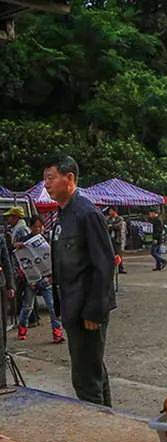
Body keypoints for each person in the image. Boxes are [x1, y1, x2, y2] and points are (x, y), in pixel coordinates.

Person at [43, 155, 116, 405]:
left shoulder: (87, 213)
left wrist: (95, 310)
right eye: (44, 180)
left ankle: (97, 428)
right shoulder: (63, 216)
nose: (46, 185)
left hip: (87, 309)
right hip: (72, 306)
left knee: (85, 378)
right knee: (92, 368)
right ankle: (108, 419)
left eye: (51, 178)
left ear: (70, 178)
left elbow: (104, 264)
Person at [13, 215, 63, 343]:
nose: (38, 229)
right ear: (30, 227)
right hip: (31, 280)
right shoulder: (24, 240)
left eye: (40, 227)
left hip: (46, 279)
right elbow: (15, 251)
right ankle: (22, 328)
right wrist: (18, 246)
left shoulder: (47, 240)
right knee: (27, 307)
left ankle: (57, 333)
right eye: (35, 227)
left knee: (52, 307)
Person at [105, 207, 127, 274]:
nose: (110, 213)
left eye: (111, 211)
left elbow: (119, 226)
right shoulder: (108, 219)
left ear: (115, 211)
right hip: (110, 238)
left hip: (117, 238)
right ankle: (111, 268)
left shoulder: (119, 218)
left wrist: (111, 226)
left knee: (118, 254)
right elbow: (105, 225)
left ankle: (120, 268)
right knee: (110, 254)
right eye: (109, 211)